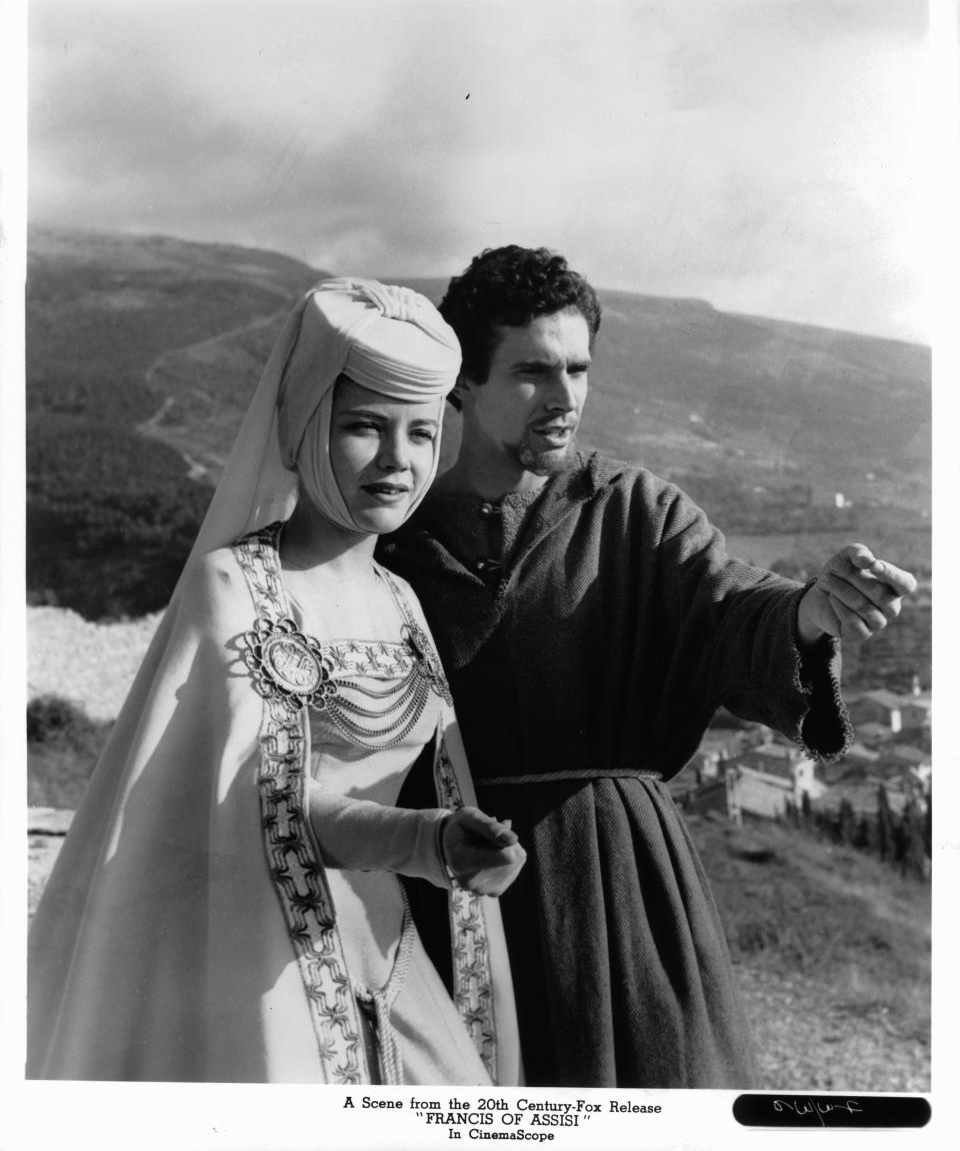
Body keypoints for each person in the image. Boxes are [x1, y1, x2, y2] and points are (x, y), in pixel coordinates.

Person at [379, 245, 918, 1089]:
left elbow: (731, 603)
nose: (565, 398)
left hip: (622, 888)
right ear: (462, 383)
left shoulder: (636, 509)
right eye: (531, 372)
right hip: (452, 895)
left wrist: (809, 614)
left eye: (579, 368)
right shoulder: (397, 541)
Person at [27, 278, 525, 1085]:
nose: (399, 461)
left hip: (393, 968)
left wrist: (470, 847)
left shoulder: (402, 603)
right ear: (305, 421)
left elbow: (438, 770)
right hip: (265, 976)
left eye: (422, 432)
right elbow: (267, 804)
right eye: (366, 426)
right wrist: (423, 840)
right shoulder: (232, 587)